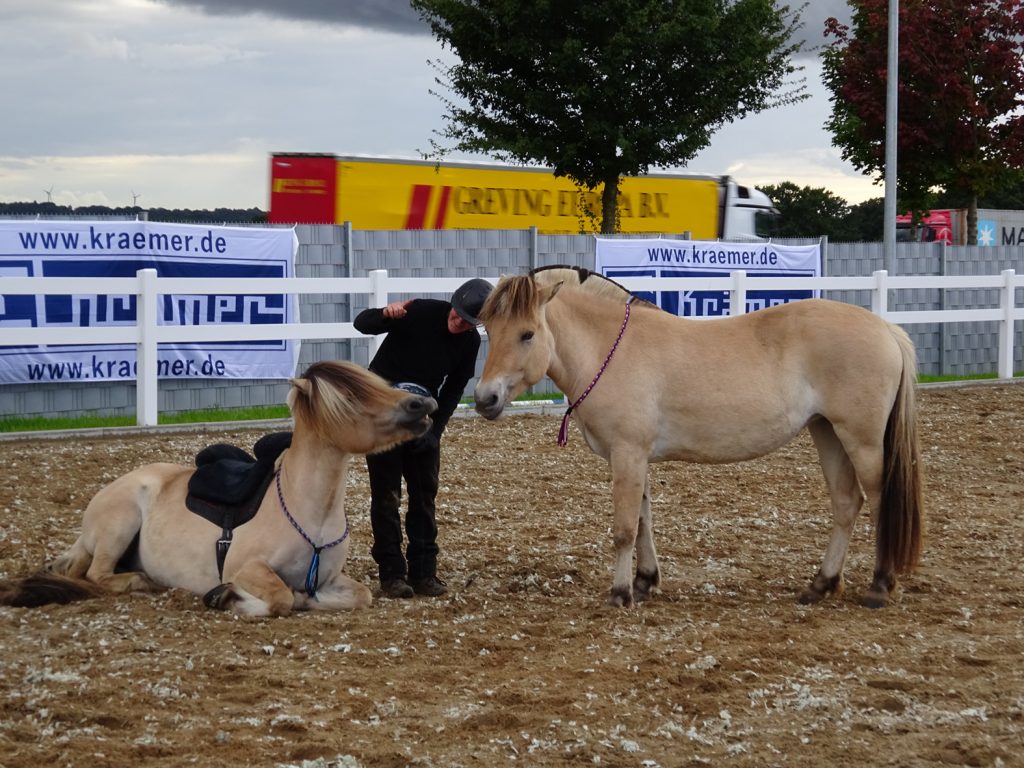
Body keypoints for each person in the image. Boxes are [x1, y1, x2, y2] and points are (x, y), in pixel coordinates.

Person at [353, 277, 493, 598]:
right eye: (457, 314)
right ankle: (391, 573)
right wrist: (384, 315)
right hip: (382, 409)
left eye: (467, 322)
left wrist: (436, 430)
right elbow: (362, 324)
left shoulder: (469, 342)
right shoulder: (419, 312)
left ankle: (424, 572)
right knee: (386, 495)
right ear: (453, 304)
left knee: (424, 494)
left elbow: (455, 388)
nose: (458, 322)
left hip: (422, 416)